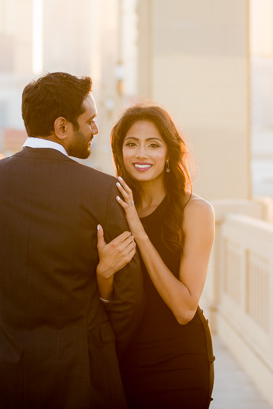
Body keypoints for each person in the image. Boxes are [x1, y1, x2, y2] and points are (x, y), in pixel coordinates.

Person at [0, 72, 143, 408]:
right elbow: (130, 293)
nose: (95, 129)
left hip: (3, 377)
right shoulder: (101, 191)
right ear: (62, 127)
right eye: (89, 121)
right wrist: (103, 354)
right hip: (84, 380)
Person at [98, 104, 216, 408]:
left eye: (153, 144)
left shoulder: (196, 211)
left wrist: (138, 228)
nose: (141, 154)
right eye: (131, 144)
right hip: (127, 358)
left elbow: (184, 308)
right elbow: (106, 301)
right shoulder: (112, 208)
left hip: (179, 361)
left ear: (168, 154)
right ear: (120, 153)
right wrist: (103, 273)